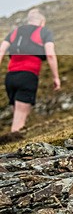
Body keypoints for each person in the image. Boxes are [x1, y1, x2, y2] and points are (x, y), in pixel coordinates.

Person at [0, 9, 60, 143]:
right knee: (20, 116)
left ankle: (12, 144)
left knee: (18, 111)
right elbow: (50, 54)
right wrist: (56, 77)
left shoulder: (14, 32)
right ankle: (13, 150)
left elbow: (1, 50)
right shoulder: (44, 31)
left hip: (10, 77)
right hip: (28, 76)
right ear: (42, 22)